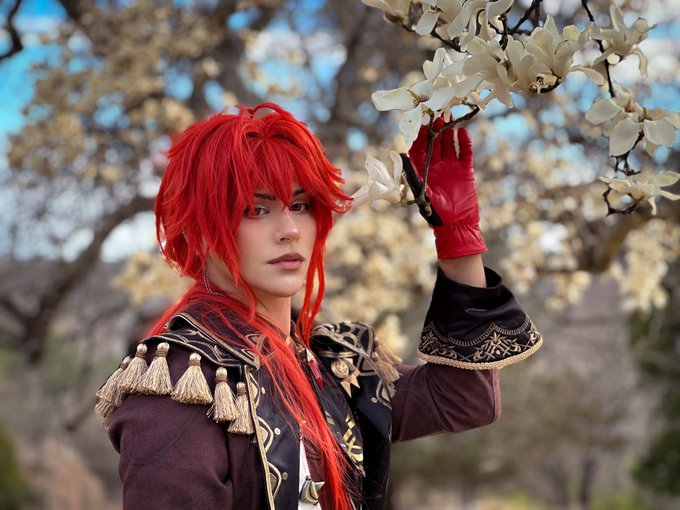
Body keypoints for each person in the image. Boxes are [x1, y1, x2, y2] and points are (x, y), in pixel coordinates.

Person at [94, 103, 542, 510]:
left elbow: (464, 399)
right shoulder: (179, 384)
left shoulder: (327, 362)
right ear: (199, 229)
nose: (290, 229)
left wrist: (459, 241)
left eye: (300, 204)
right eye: (256, 209)